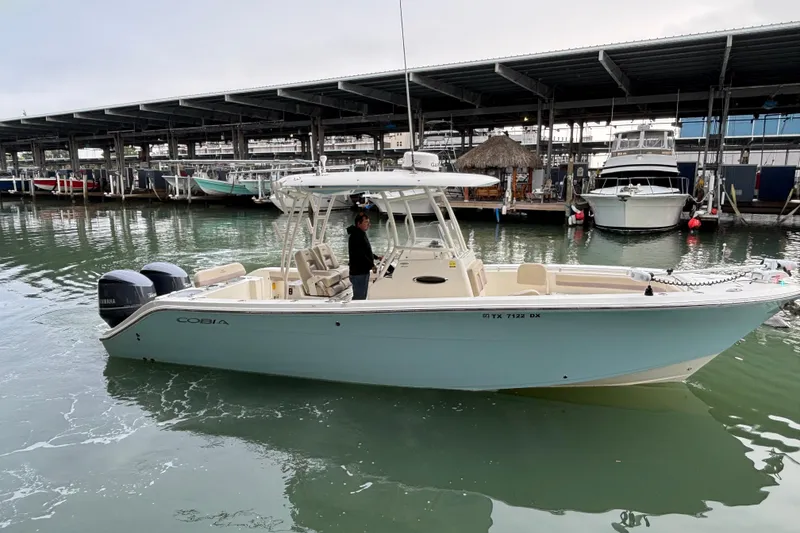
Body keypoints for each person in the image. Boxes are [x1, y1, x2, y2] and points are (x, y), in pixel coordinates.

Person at [347, 212, 382, 300]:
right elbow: (360, 254)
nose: (369, 224)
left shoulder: (360, 234)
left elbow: (365, 251)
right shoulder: (356, 236)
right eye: (366, 222)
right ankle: (354, 312)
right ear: (359, 223)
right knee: (359, 297)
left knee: (362, 295)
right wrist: (372, 265)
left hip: (362, 271)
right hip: (358, 272)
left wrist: (376, 257)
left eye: (368, 222)